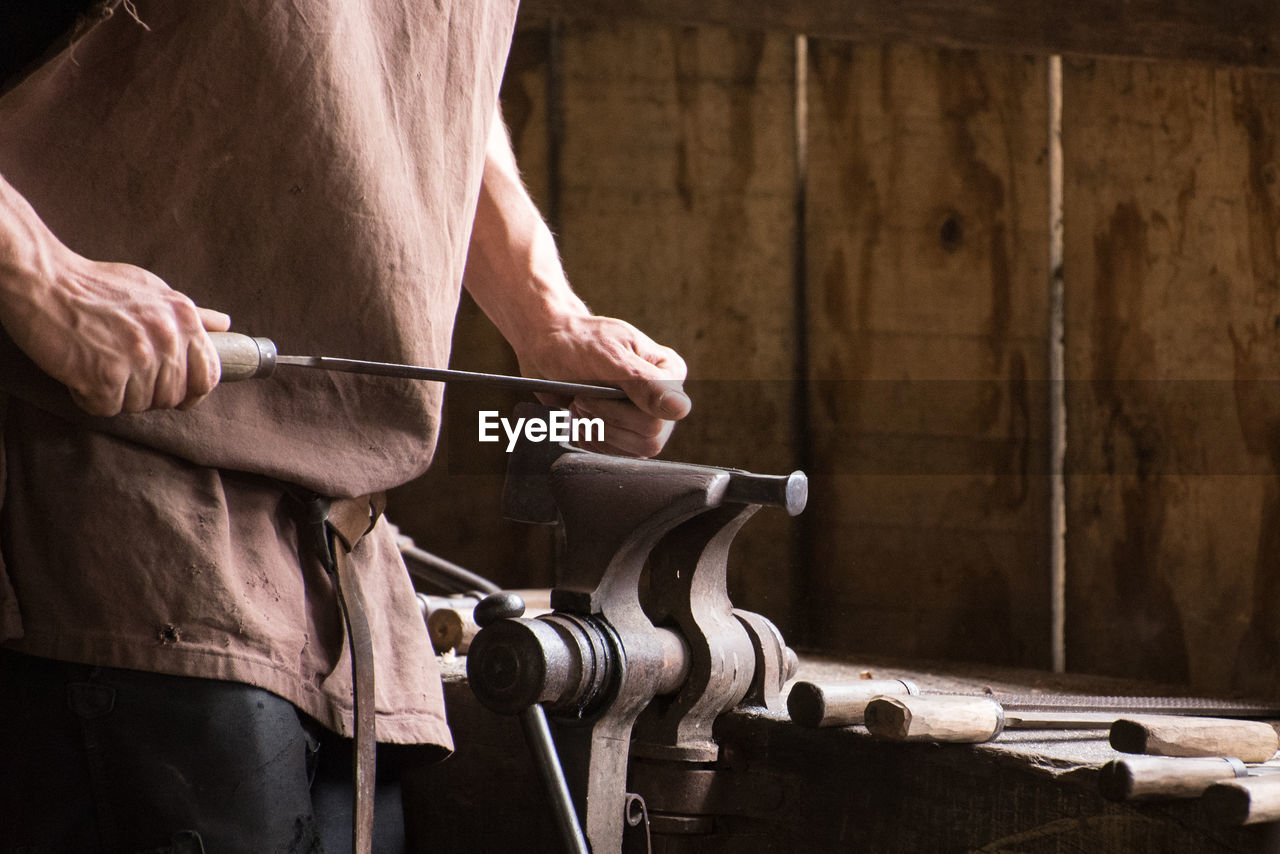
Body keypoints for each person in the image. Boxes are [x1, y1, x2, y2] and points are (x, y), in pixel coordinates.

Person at [0, 2, 691, 852]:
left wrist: (546, 316)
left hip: (345, 567)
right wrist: (37, 273)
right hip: (102, 521)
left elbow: (402, 88)